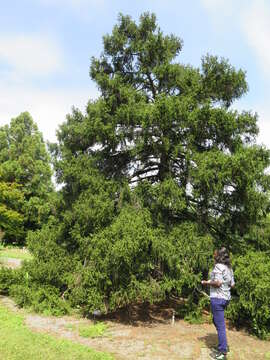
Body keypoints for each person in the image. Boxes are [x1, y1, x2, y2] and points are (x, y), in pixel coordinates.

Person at [201, 247, 235, 360]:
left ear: (219, 256)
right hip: (226, 299)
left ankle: (222, 353)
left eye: (215, 254)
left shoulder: (218, 266)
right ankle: (223, 345)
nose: (213, 255)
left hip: (218, 299)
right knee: (216, 321)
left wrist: (206, 282)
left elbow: (218, 283)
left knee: (220, 326)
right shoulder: (229, 268)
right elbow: (232, 284)